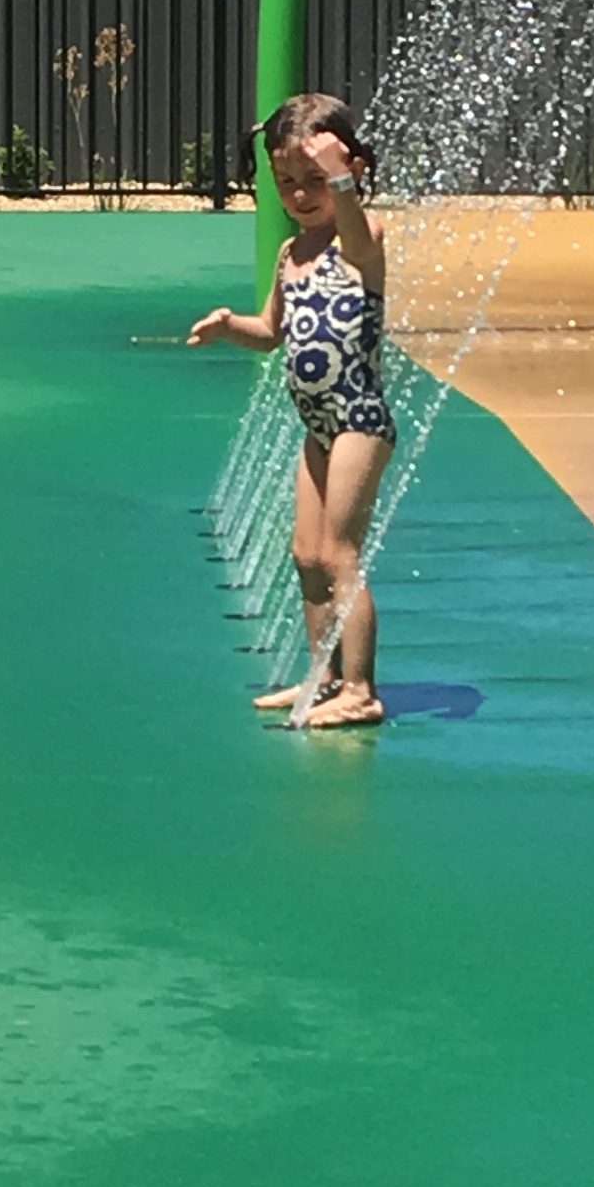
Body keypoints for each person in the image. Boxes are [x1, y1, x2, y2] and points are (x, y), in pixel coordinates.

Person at [188, 92, 391, 730]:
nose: (301, 195)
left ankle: (361, 688)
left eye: (316, 180)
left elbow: (357, 242)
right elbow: (272, 331)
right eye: (287, 183)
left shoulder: (363, 236)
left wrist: (339, 178)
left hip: (357, 418)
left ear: (351, 171)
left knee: (340, 552)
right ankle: (321, 675)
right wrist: (230, 327)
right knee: (305, 553)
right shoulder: (290, 255)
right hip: (318, 426)